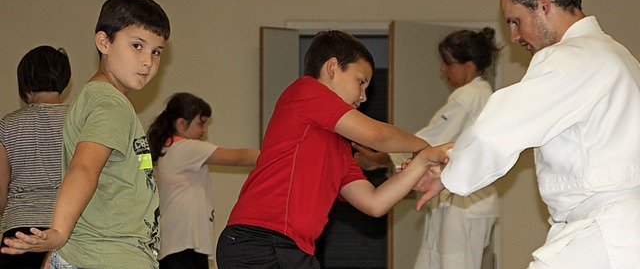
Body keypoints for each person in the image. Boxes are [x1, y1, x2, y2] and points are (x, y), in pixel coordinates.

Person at [414, 0, 640, 268]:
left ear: (544, 5)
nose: (514, 36)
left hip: (604, 230)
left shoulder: (570, 58)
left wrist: (448, 175)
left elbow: (500, 128)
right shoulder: (619, 56)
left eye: (515, 20)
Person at [216, 30, 452, 268]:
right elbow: (377, 136)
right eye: (360, 82)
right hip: (259, 241)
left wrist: (422, 163)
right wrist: (423, 146)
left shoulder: (339, 147)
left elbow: (374, 203)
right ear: (332, 68)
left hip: (287, 247)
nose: (363, 97)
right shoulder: (306, 91)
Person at [1, 0, 171, 269]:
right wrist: (58, 233)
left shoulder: (95, 97)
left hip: (90, 253)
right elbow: (83, 168)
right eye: (137, 46)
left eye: (156, 51)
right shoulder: (109, 103)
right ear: (104, 42)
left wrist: (56, 254)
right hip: (108, 257)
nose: (148, 62)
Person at [353, 27, 500, 269]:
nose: (443, 69)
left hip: (466, 202)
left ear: (469, 65)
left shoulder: (471, 95)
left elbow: (430, 141)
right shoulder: (476, 95)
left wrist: (381, 156)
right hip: (452, 198)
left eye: (448, 63)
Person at [147, 92, 260, 269]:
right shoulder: (185, 148)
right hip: (183, 246)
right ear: (182, 124)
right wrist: (276, 156)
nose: (205, 129)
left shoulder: (171, 149)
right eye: (201, 123)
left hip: (179, 244)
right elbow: (239, 157)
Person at [0, 45, 71, 269]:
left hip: (18, 230)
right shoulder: (78, 121)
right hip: (66, 228)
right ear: (64, 79)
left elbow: (1, 190)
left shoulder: (8, 124)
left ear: (25, 82)